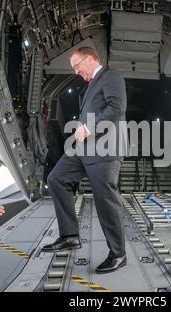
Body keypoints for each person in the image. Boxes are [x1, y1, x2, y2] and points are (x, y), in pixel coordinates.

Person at [41, 47, 128, 274]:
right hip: (83, 149)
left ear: (90, 59)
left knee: (105, 200)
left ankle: (118, 254)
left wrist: (89, 127)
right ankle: (70, 235)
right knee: (56, 179)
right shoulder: (87, 88)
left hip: (105, 148)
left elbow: (117, 107)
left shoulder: (110, 76)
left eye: (77, 66)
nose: (76, 71)